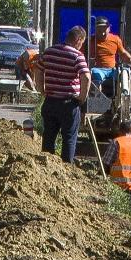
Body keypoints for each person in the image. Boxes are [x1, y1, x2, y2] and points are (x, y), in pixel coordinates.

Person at [38, 23, 92, 163]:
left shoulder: (49, 51)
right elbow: (86, 76)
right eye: (82, 43)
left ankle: (46, 166)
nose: (81, 46)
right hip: (68, 103)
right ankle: (66, 169)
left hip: (50, 102)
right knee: (69, 138)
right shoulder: (77, 56)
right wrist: (82, 97)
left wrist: (41, 89)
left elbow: (38, 69)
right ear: (78, 40)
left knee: (48, 136)